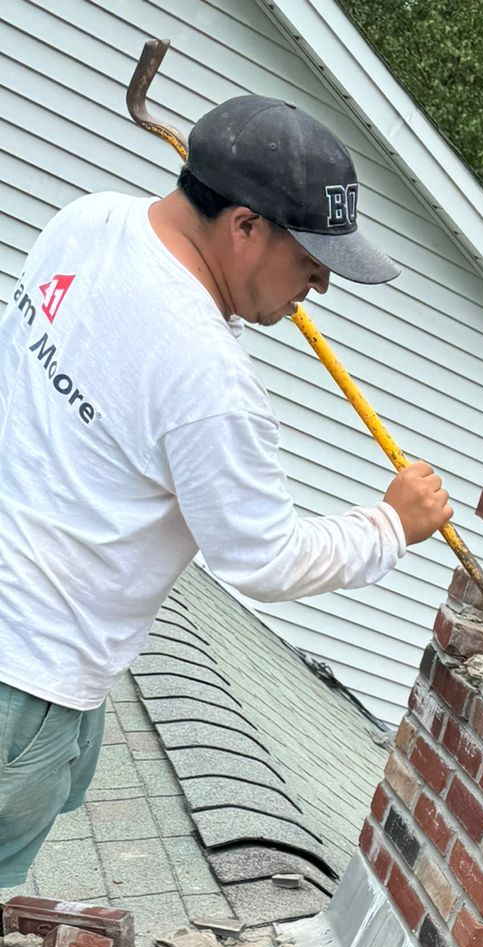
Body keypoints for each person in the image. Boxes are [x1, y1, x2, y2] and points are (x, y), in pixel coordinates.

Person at [0, 93, 452, 889]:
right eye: (311, 260)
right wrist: (390, 523)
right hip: (28, 678)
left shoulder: (90, 220)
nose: (319, 285)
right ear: (244, 227)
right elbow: (263, 561)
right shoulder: (209, 379)